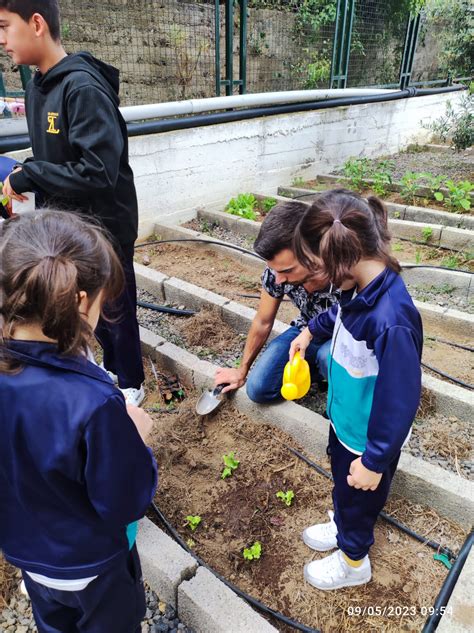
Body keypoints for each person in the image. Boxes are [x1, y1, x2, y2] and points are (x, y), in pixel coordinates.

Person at [0, 211, 158, 632]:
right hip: (92, 565)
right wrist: (136, 439)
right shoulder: (95, 403)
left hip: (28, 554)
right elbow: (124, 501)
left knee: (54, 622)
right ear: (82, 302)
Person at [0, 0, 145, 405]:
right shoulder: (36, 88)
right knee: (78, 307)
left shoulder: (82, 88)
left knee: (114, 310)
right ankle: (98, 370)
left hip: (104, 227)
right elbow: (54, 162)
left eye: (4, 26)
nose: (1, 40)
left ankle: (131, 384)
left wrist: (30, 173)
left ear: (37, 23)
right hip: (67, 225)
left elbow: (99, 170)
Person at [289, 189, 422, 590]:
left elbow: (400, 399)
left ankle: (353, 561)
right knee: (342, 488)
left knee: (359, 500)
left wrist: (375, 461)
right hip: (348, 421)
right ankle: (342, 521)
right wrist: (312, 330)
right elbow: (341, 312)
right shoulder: (358, 289)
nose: (321, 281)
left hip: (368, 439)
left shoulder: (391, 318)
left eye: (320, 270)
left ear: (343, 260)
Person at [214, 200, 348, 403]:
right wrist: (242, 370)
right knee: (259, 389)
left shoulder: (348, 274)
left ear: (316, 254)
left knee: (326, 356)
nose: (278, 279)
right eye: (275, 269)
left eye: (286, 270)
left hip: (345, 336)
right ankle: (313, 371)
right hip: (304, 333)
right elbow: (263, 321)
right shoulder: (277, 272)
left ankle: (343, 395)